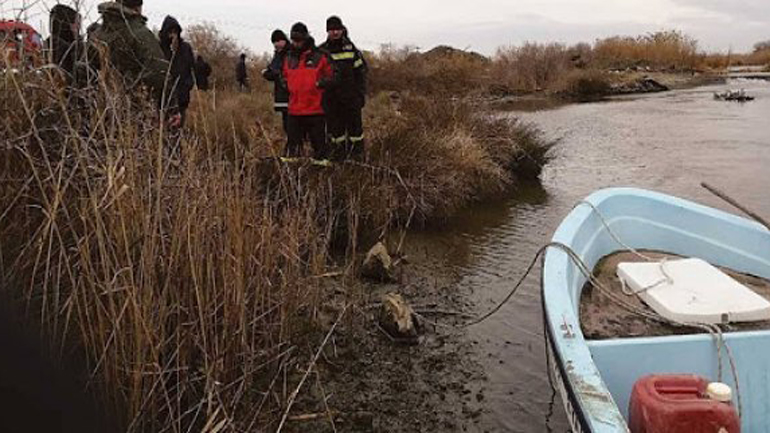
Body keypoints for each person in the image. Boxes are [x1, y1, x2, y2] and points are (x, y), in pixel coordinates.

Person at [93, 0, 170, 108]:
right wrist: (169, 107)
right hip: (133, 108)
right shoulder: (140, 33)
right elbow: (159, 71)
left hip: (99, 107)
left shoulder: (96, 35)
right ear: (138, 7)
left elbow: (85, 69)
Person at [282, 22, 333, 160]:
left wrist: (320, 84)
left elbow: (333, 76)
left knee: (320, 151)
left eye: (299, 40)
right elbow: (284, 77)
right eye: (293, 40)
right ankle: (292, 177)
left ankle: (321, 176)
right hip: (294, 110)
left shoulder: (321, 56)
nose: (296, 43)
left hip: (315, 110)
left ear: (305, 38)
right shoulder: (288, 58)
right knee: (292, 152)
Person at [319, 15, 367, 160]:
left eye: (337, 29)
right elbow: (316, 76)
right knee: (336, 133)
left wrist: (360, 94)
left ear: (342, 29)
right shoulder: (321, 51)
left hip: (351, 98)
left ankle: (357, 160)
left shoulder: (351, 48)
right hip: (331, 100)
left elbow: (361, 72)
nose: (335, 32)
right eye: (332, 30)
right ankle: (338, 160)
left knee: (356, 133)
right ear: (327, 31)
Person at [159, 15, 195, 125]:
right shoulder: (159, 48)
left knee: (178, 130)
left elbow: (192, 70)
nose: (172, 35)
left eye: (175, 32)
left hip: (182, 99)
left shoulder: (185, 48)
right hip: (162, 100)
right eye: (170, 32)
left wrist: (187, 86)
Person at [262, 29, 290, 134]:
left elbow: (278, 72)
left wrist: (268, 73)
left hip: (290, 95)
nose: (276, 44)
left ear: (283, 40)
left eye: (278, 41)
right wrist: (267, 73)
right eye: (274, 42)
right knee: (286, 123)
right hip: (281, 95)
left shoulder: (289, 53)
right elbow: (272, 69)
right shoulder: (277, 55)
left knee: (292, 123)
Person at [48, 4, 83, 82]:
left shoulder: (48, 44)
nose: (78, 28)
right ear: (66, 24)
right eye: (76, 23)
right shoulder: (64, 47)